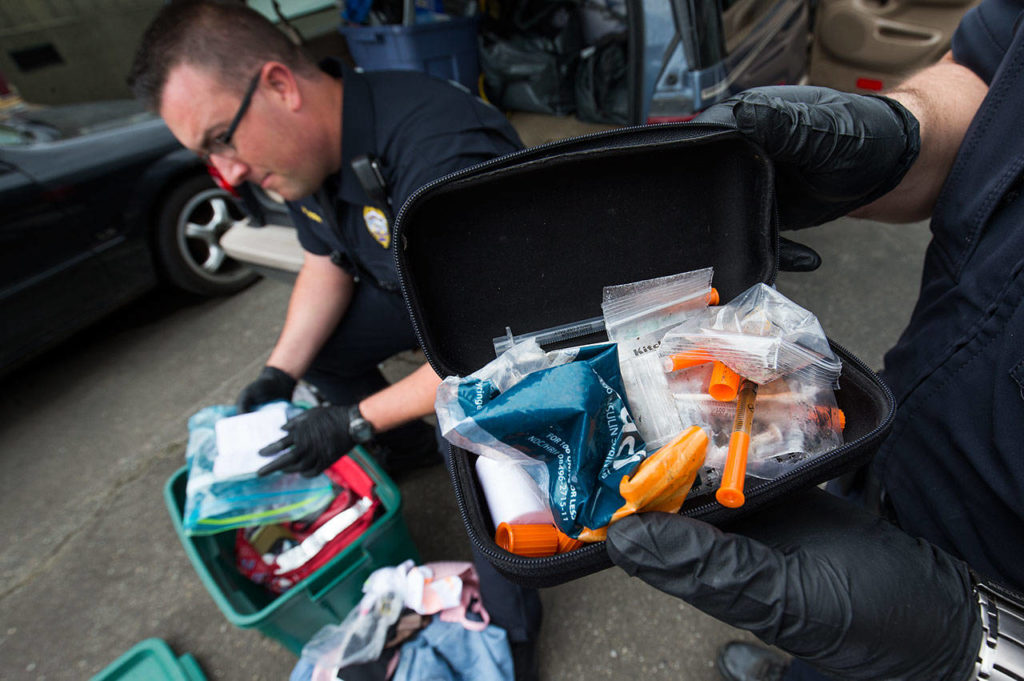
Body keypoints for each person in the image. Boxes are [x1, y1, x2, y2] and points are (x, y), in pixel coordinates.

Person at [605, 0, 1024, 679]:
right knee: (824, 631)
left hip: (995, 590)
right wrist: (900, 136)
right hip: (893, 445)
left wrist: (973, 644)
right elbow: (986, 76)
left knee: (866, 625)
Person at [128, 2, 541, 678]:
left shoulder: (440, 148)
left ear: (279, 87)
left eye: (219, 140)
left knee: (466, 425)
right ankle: (404, 445)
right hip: (420, 296)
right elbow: (325, 259)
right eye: (205, 156)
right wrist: (278, 376)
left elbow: (490, 351)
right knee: (321, 350)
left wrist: (351, 419)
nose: (224, 174)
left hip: (516, 334)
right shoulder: (299, 153)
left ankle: (509, 630)